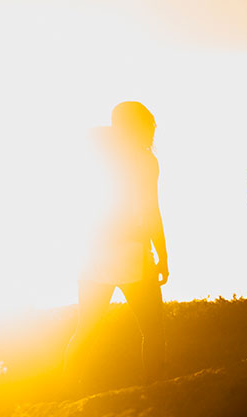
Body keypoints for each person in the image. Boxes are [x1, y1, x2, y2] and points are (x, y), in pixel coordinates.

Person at [65, 101, 169, 385]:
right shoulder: (144, 160)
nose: (152, 132)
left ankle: (70, 391)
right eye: (149, 125)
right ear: (141, 125)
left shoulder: (94, 153)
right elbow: (151, 210)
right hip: (131, 251)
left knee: (86, 326)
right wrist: (162, 255)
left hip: (91, 251)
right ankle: (156, 388)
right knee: (152, 327)